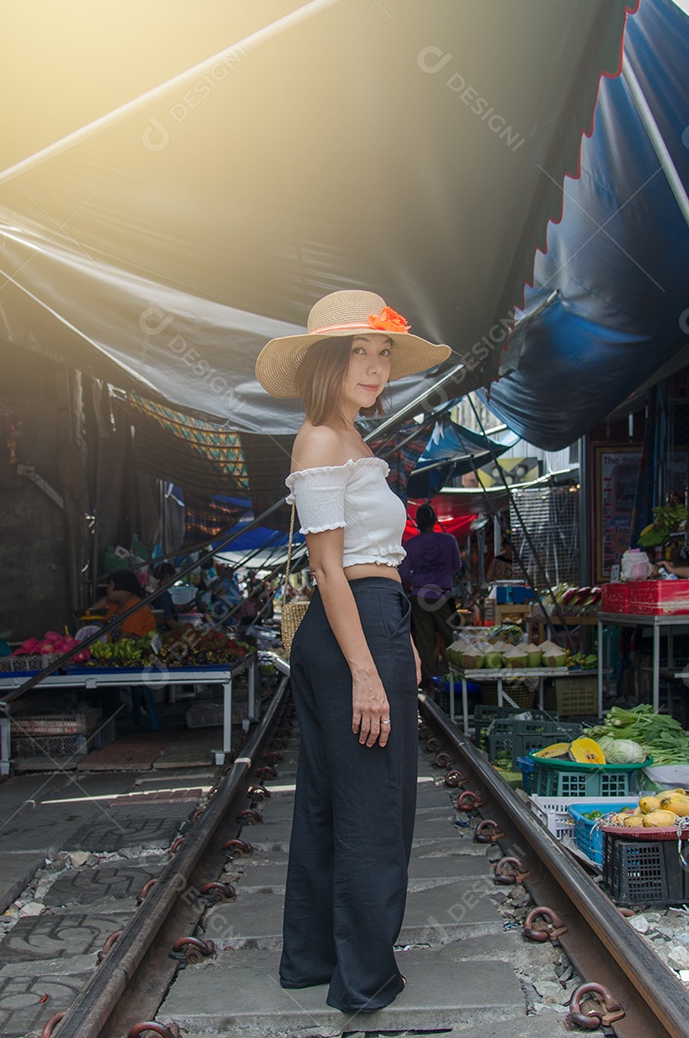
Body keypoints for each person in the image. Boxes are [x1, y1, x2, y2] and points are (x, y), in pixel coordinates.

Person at [255, 289, 451, 1013]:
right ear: (326, 363)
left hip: (372, 618)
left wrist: (399, 640)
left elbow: (368, 562)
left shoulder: (351, 437)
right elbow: (329, 567)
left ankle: (311, 958)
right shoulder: (320, 439)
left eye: (381, 354)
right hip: (351, 626)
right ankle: (365, 978)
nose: (373, 368)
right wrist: (369, 670)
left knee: (333, 800)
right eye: (357, 353)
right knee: (376, 802)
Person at [398, 504, 462, 687]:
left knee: (425, 640)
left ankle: (429, 681)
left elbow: (403, 575)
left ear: (417, 523)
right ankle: (457, 676)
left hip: (420, 596)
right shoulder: (448, 540)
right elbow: (457, 567)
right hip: (443, 596)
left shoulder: (410, 545)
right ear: (435, 520)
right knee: (451, 637)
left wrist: (417, 577)